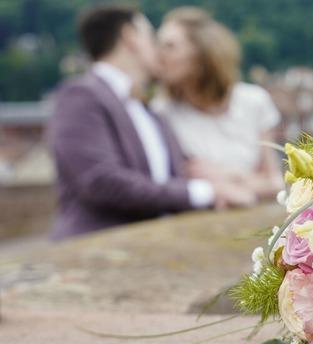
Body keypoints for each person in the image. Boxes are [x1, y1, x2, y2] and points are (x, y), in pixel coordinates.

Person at [46, 5, 252, 240]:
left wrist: (222, 178)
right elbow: (100, 181)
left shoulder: (149, 110)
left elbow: (174, 175)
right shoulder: (80, 94)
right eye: (151, 37)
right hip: (95, 255)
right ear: (130, 37)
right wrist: (205, 191)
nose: (158, 49)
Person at [153, 7, 283, 202]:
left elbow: (276, 185)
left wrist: (227, 175)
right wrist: (249, 183)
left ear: (201, 54)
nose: (158, 56)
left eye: (170, 46)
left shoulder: (254, 101)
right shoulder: (162, 112)